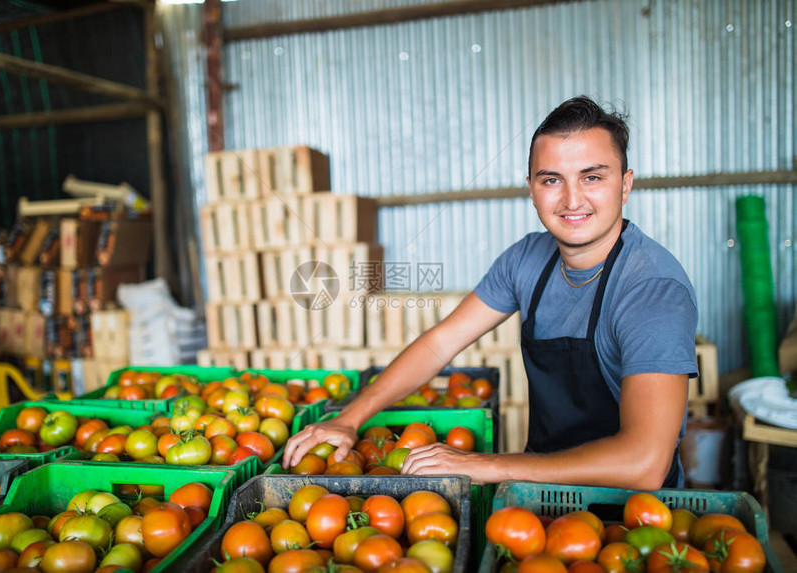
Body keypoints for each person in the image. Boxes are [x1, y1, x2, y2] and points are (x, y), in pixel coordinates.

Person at [283, 96, 698, 489]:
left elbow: (644, 464)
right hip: (538, 497)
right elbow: (440, 344)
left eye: (592, 177)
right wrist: (349, 418)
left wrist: (483, 464)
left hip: (634, 517)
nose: (573, 199)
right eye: (551, 179)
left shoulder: (651, 291)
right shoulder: (526, 260)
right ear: (532, 188)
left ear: (625, 185)